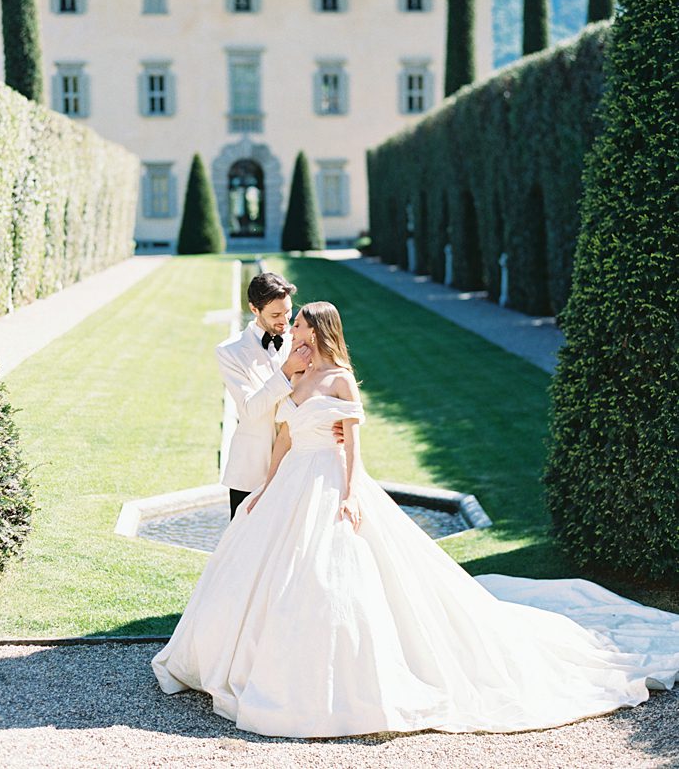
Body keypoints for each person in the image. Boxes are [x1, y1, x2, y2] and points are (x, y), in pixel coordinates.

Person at [154, 301, 679, 737]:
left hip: (330, 480)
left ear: (320, 333)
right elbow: (284, 439)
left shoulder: (339, 380)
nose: (294, 333)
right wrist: (263, 492)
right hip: (290, 479)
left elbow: (355, 444)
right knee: (264, 572)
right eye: (293, 328)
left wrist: (352, 491)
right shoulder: (295, 374)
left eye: (300, 327)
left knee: (330, 577)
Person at [214, 273, 313, 518]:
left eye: (288, 312)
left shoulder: (303, 341)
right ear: (254, 309)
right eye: (276, 315)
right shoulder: (230, 351)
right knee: (242, 547)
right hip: (251, 469)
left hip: (297, 463)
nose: (285, 321)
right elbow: (250, 409)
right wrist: (287, 370)